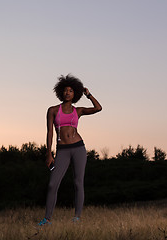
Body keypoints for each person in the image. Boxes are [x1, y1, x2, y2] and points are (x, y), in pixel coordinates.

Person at [38, 74, 102, 226]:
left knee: (78, 182)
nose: (67, 92)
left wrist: (89, 94)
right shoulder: (53, 110)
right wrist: (49, 153)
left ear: (75, 94)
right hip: (62, 150)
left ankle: (77, 218)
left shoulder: (78, 111)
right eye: (65, 90)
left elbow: (98, 108)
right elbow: (49, 132)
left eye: (71, 90)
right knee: (53, 184)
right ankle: (47, 219)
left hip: (78, 148)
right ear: (61, 92)